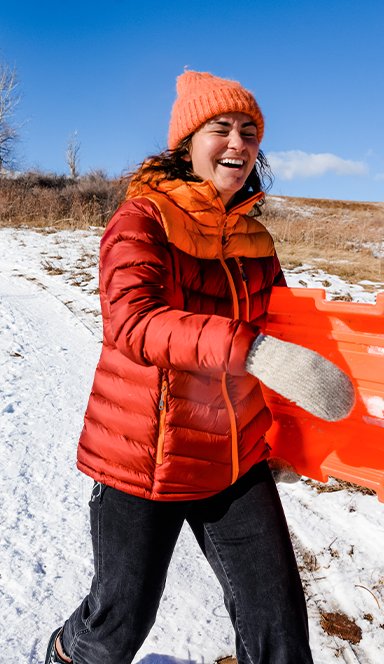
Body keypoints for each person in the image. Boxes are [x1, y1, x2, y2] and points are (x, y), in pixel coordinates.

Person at [44, 70, 354, 664]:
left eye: (250, 132)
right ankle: (64, 652)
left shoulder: (256, 240)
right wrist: (253, 351)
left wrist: (290, 435)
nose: (238, 143)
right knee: (115, 629)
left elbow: (282, 333)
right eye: (222, 128)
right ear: (187, 143)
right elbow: (134, 323)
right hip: (145, 460)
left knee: (281, 635)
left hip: (236, 459)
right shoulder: (143, 219)